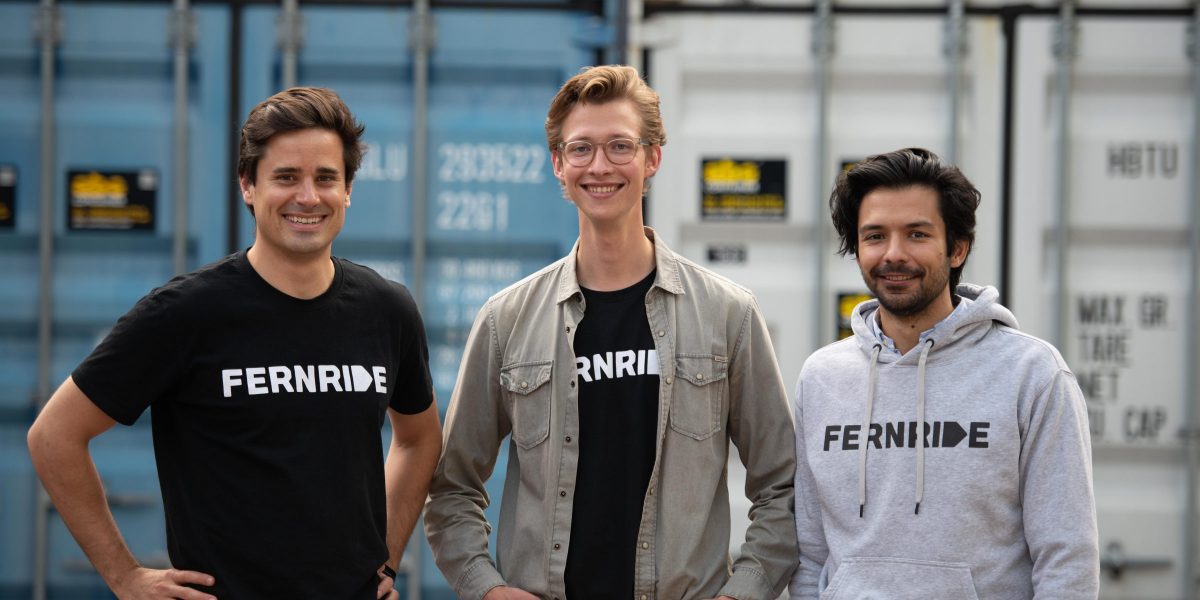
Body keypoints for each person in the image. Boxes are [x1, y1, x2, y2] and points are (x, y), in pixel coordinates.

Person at [26, 87, 442, 600]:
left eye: (326, 178)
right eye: (286, 177)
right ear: (248, 186)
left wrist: (387, 559)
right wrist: (124, 576)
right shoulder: (185, 313)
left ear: (348, 189)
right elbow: (54, 436)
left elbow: (419, 438)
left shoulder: (387, 310)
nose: (308, 197)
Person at [424, 65, 798, 600]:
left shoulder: (727, 314)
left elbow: (782, 487)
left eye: (620, 146)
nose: (600, 166)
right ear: (558, 164)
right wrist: (487, 589)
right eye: (581, 149)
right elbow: (451, 486)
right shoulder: (507, 320)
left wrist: (745, 590)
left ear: (653, 159)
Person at [790, 147, 1098, 599]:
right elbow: (811, 552)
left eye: (916, 234)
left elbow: (1067, 558)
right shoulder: (822, 378)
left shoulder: (1032, 374)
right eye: (874, 236)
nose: (893, 254)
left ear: (957, 248)